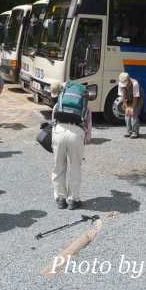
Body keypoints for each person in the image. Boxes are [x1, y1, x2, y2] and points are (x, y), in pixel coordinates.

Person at [50, 82, 92, 210]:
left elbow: (53, 121)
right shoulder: (85, 108)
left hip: (59, 131)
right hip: (76, 133)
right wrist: (85, 138)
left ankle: (60, 199)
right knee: (75, 167)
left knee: (58, 167)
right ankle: (73, 200)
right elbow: (88, 130)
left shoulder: (59, 104)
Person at [118, 72, 143, 138]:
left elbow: (135, 97)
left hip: (138, 99)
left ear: (128, 79)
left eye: (125, 83)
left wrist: (132, 108)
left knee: (134, 114)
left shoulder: (135, 84)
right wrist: (126, 106)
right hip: (128, 98)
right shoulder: (121, 83)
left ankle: (135, 132)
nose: (124, 85)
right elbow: (122, 95)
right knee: (127, 114)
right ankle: (129, 131)